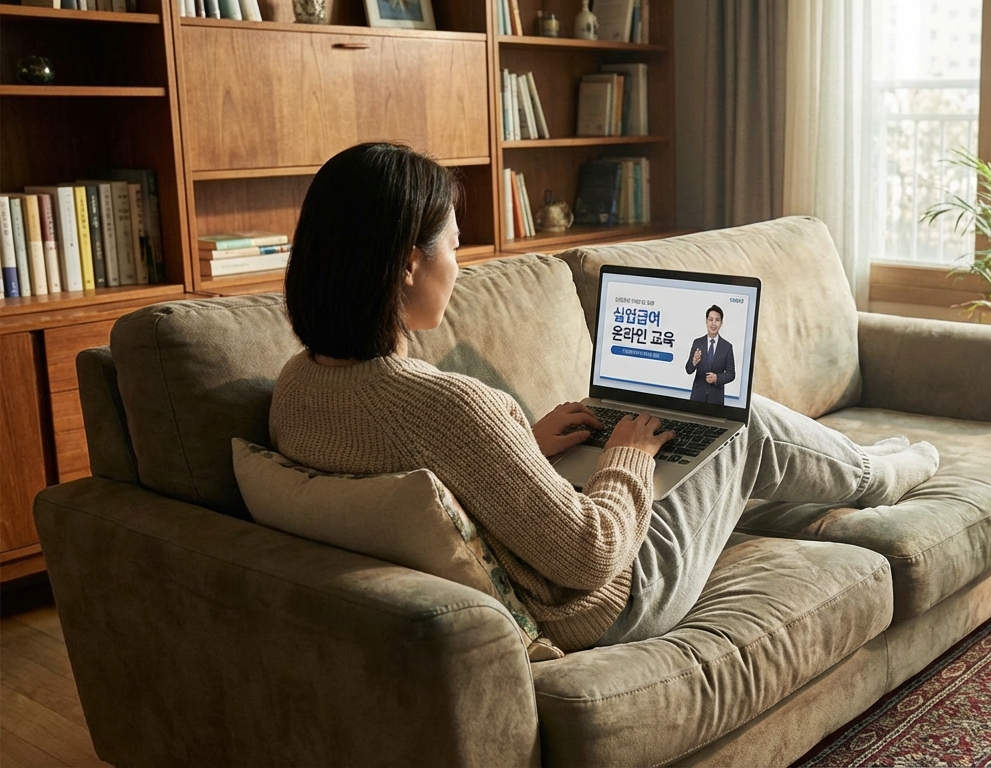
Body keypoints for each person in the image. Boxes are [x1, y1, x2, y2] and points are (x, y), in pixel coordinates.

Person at [269, 142, 940, 653]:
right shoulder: (445, 405)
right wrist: (626, 459)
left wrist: (517, 447)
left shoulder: (296, 387)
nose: (460, 261)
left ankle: (834, 473)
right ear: (408, 262)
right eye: (451, 244)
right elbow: (588, 555)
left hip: (529, 548)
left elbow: (415, 464)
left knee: (670, 428)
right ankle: (878, 475)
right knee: (737, 420)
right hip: (601, 602)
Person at [684, 305, 735, 404]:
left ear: (721, 323)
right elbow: (688, 370)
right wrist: (693, 362)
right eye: (711, 319)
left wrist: (717, 378)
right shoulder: (697, 343)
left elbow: (731, 374)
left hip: (716, 398)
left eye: (717, 320)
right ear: (706, 321)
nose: (713, 323)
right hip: (697, 396)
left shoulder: (727, 347)